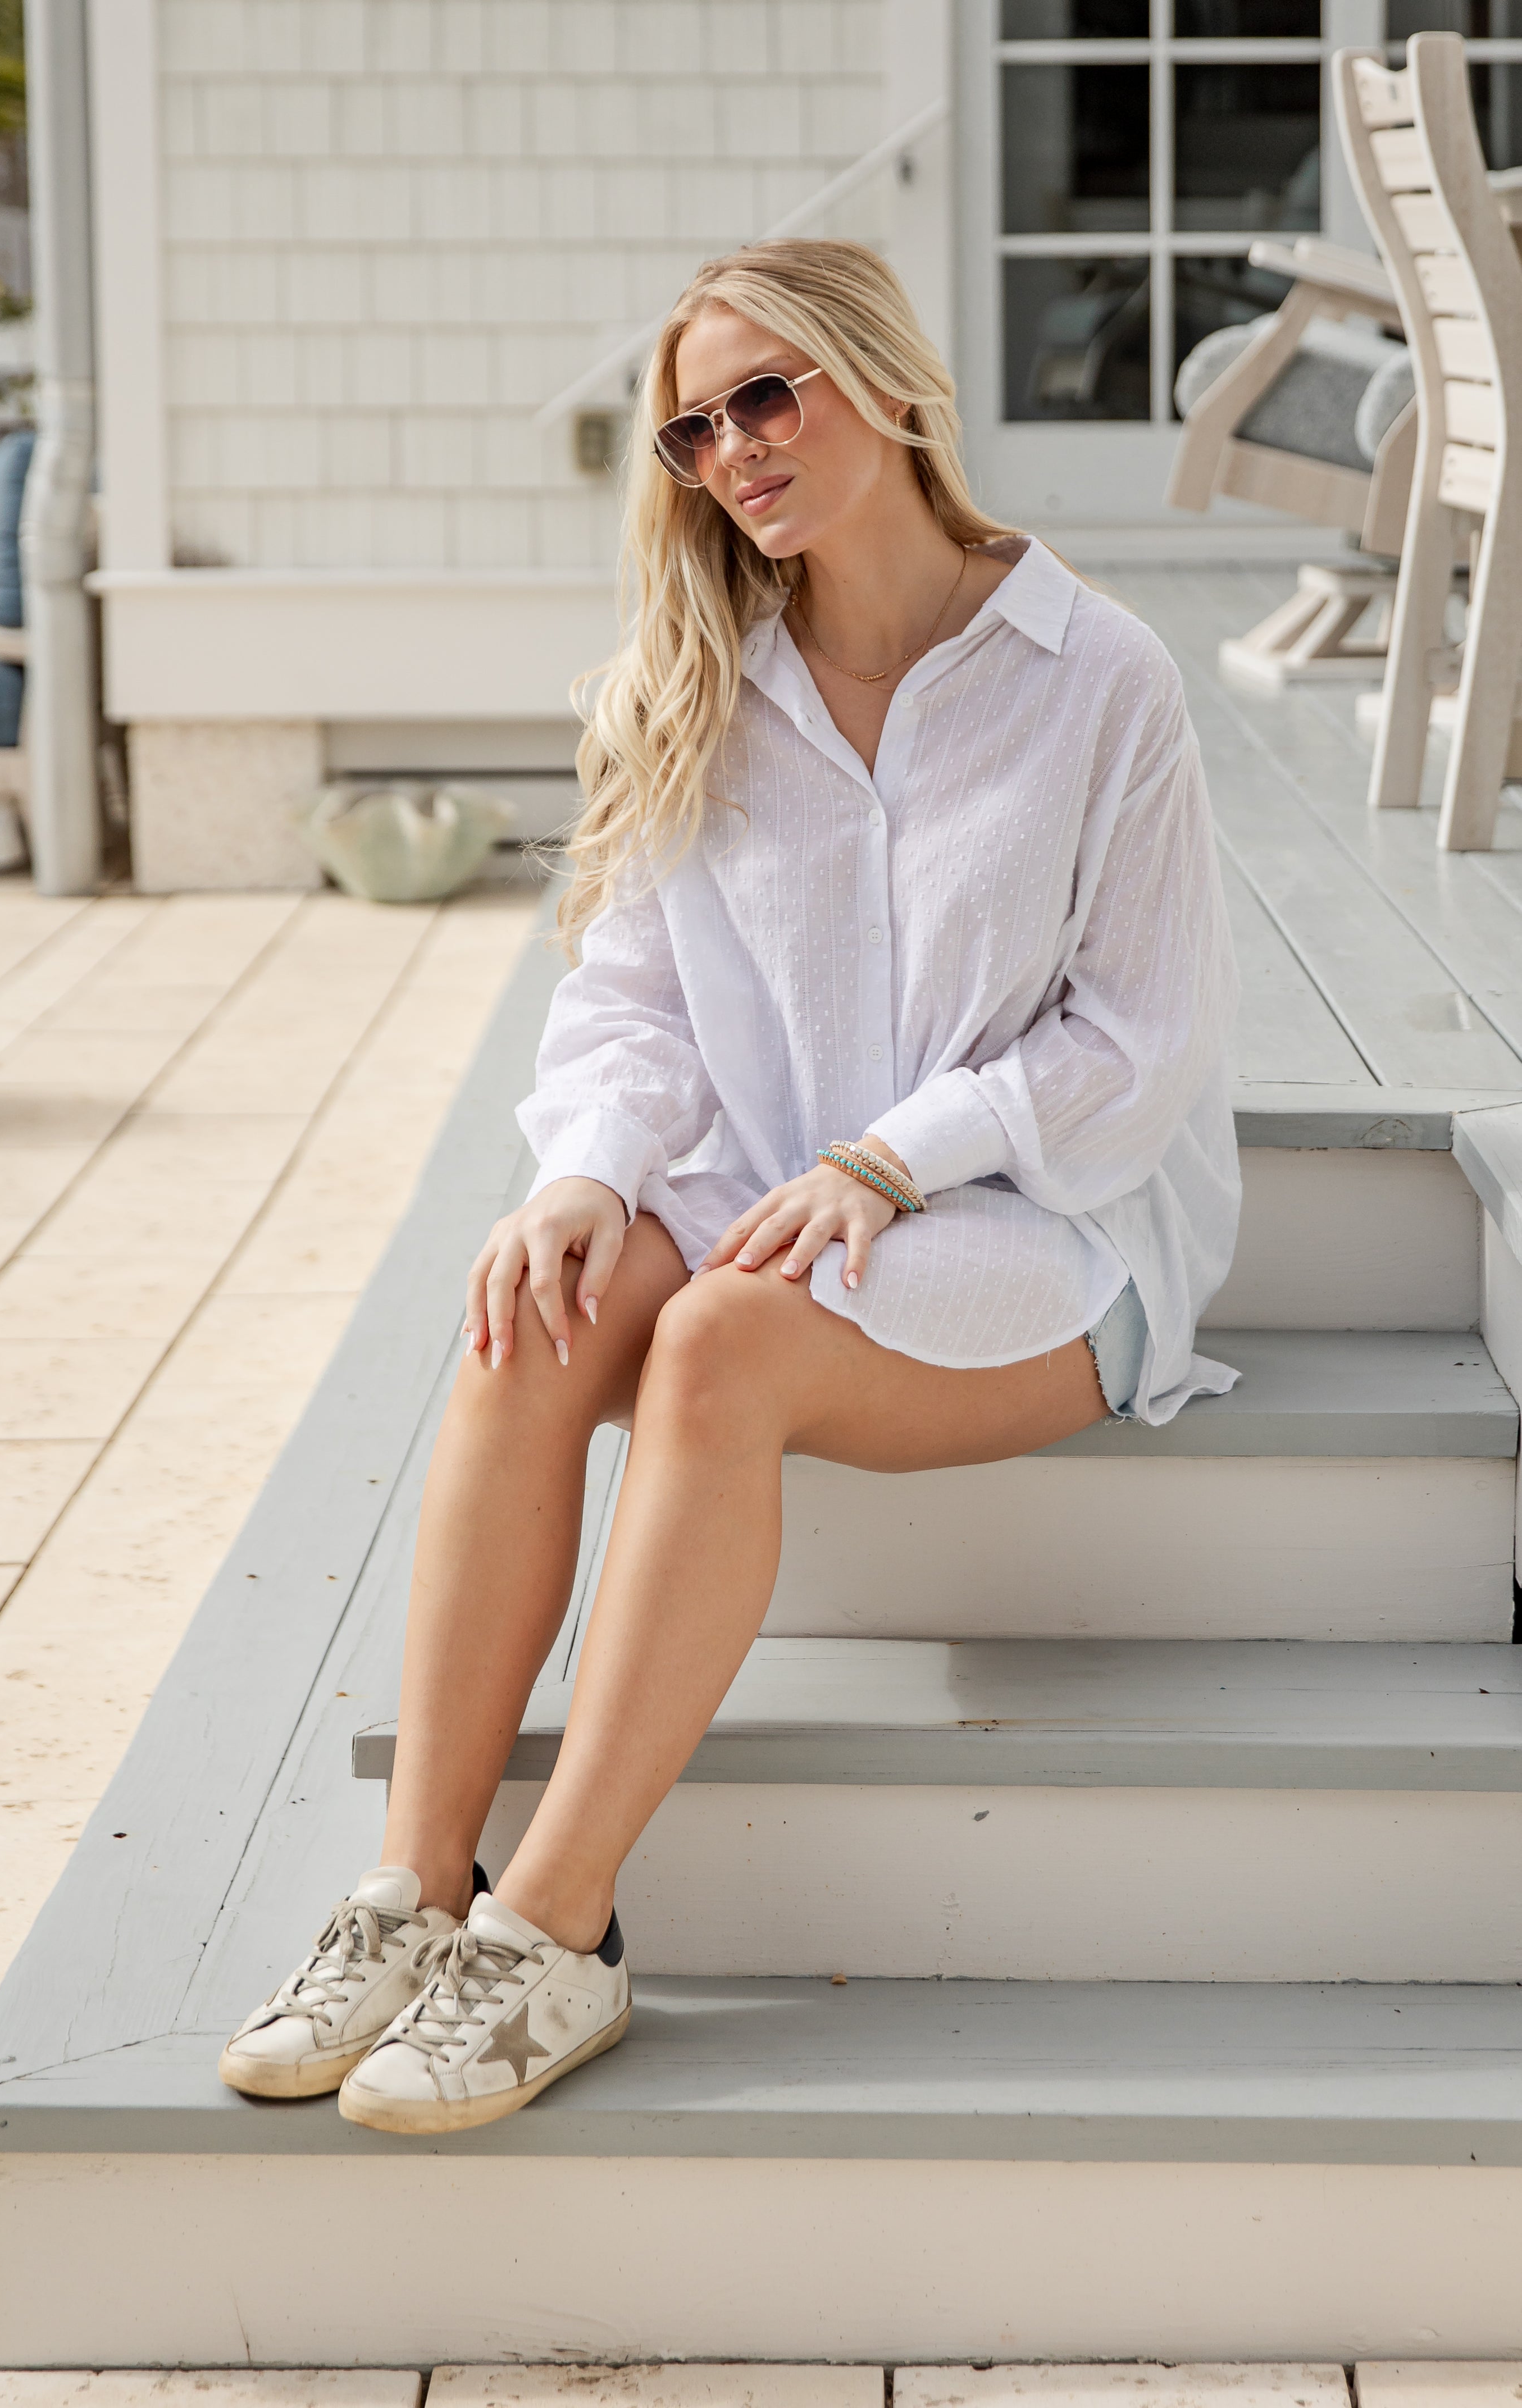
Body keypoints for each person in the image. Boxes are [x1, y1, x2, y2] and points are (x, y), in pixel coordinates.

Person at [219, 238, 1241, 2135]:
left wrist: (893, 1153)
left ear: (888, 387)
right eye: (695, 427)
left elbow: (1139, 1036)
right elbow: (631, 1000)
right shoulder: (687, 680)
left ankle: (556, 1927)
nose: (733, 449)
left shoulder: (1094, 674)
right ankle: (410, 1887)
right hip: (772, 1186)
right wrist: (588, 1171)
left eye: (770, 394)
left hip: (1046, 1223)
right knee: (540, 1301)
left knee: (713, 1349)